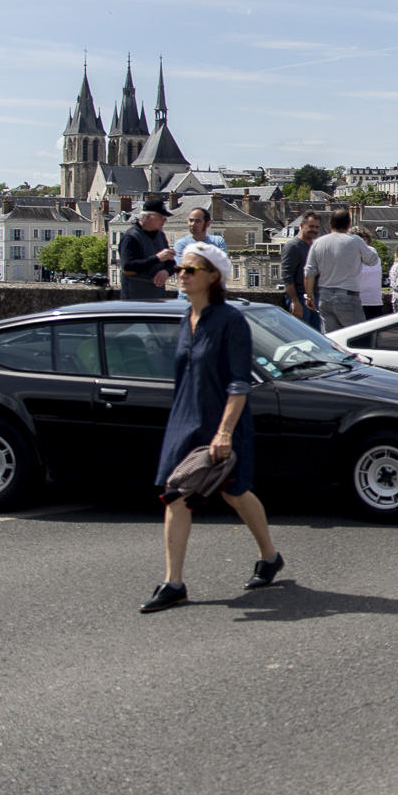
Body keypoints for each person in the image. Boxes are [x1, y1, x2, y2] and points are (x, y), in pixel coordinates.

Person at [138, 243, 282, 613]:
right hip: (186, 420)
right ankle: (174, 583)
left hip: (222, 421)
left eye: (190, 270)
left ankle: (270, 556)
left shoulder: (230, 320)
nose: (181, 275)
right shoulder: (186, 317)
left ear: (213, 276)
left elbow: (239, 382)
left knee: (235, 494)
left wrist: (224, 432)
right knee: (175, 495)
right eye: (181, 269)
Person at [304, 209, 379, 331]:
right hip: (347, 296)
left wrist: (309, 297)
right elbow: (372, 260)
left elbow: (309, 272)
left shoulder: (318, 243)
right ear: (349, 224)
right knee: (357, 337)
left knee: (331, 339)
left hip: (325, 296)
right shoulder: (355, 240)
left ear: (329, 224)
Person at [117, 197, 175, 300]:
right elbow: (128, 266)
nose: (164, 220)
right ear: (148, 216)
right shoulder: (131, 237)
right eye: (162, 217)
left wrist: (166, 271)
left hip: (158, 299)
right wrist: (157, 258)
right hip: (135, 301)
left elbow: (171, 263)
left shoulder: (160, 235)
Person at [279, 212, 321, 330]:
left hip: (315, 297)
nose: (314, 230)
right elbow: (287, 276)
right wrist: (294, 301)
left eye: (317, 227)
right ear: (302, 225)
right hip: (300, 297)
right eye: (311, 226)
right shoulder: (293, 246)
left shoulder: (314, 246)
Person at [358, 239, 385, 323]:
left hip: (375, 301)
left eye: (364, 239)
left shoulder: (373, 253)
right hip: (360, 301)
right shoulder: (352, 256)